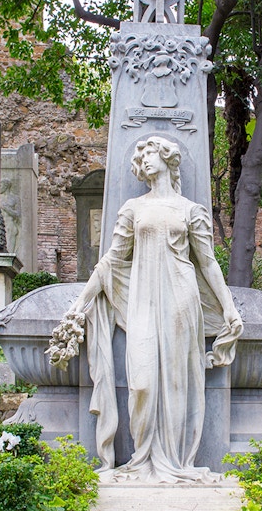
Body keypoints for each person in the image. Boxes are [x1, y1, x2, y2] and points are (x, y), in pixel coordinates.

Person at [64, 136, 242, 482]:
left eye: (149, 154)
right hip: (143, 301)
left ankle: (174, 463)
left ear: (166, 158)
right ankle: (142, 459)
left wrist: (229, 307)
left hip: (180, 298)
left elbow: (208, 264)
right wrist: (79, 305)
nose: (144, 160)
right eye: (140, 156)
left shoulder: (190, 210)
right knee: (142, 383)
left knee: (176, 384)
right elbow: (111, 261)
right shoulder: (133, 208)